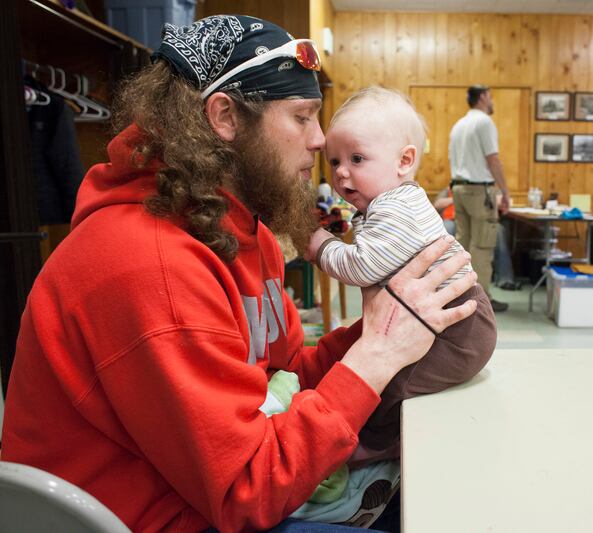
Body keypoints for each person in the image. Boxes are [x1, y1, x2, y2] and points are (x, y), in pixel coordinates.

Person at [0, 16, 477, 533]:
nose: (319, 141)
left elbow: (284, 378)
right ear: (225, 117)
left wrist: (388, 326)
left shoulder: (241, 231)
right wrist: (375, 357)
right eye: (302, 117)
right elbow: (247, 490)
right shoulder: (147, 265)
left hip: (218, 495)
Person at [305, 86, 496, 459]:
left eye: (357, 159)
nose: (342, 173)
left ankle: (373, 450)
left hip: (456, 330)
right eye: (334, 161)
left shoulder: (396, 209)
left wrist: (320, 246)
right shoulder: (392, 200)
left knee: (392, 388)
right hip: (445, 321)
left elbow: (362, 266)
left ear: (404, 161)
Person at [448, 85, 511, 312]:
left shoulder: (458, 125)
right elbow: (493, 160)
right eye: (491, 96)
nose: (492, 101)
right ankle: (481, 302)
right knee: (483, 246)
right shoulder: (484, 122)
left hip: (459, 190)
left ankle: (461, 296)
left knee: (464, 245)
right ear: (483, 97)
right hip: (479, 192)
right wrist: (505, 192)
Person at [434, 187, 520, 290]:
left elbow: (502, 203)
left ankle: (506, 279)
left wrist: (492, 199)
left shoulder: (488, 189)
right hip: (453, 221)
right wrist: (458, 198)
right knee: (446, 228)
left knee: (499, 231)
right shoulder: (449, 189)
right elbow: (437, 204)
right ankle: (442, 278)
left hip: (480, 222)